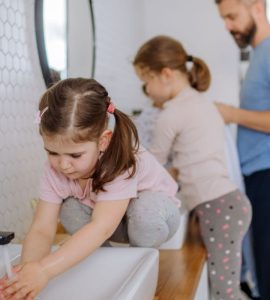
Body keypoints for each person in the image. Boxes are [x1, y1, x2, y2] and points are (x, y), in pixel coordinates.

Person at [0, 78, 181, 299]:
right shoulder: (54, 170)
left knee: (145, 212)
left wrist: (45, 270)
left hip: (155, 216)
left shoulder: (120, 160)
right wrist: (27, 274)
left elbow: (101, 227)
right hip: (114, 221)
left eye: (75, 155)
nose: (63, 165)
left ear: (103, 141)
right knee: (70, 209)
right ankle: (107, 260)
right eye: (52, 152)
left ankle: (141, 260)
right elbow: (41, 228)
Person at [133, 35, 252, 300]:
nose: (147, 90)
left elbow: (151, 166)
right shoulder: (203, 104)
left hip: (219, 206)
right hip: (226, 203)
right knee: (223, 287)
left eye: (146, 81)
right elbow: (192, 160)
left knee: (223, 292)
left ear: (165, 74)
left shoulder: (171, 113)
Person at [214, 1, 270, 299]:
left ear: (257, 7)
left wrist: (232, 114)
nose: (228, 26)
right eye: (224, 19)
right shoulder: (258, 56)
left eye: (232, 17)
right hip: (257, 177)